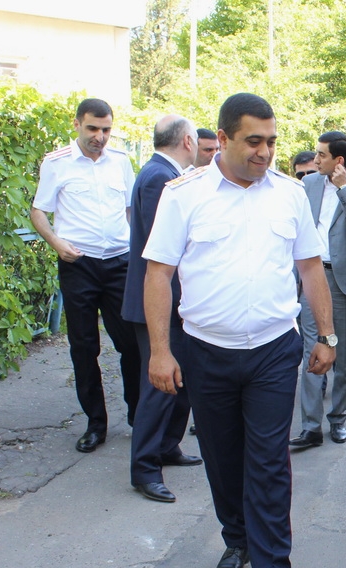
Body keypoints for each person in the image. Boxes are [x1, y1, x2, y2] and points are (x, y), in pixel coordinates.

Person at [142, 92, 336, 568]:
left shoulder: (290, 195)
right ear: (223, 138)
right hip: (205, 352)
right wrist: (160, 351)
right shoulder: (183, 195)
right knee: (223, 457)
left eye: (271, 141)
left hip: (273, 349)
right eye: (253, 141)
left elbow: (311, 266)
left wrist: (327, 335)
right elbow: (158, 274)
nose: (265, 152)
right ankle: (237, 539)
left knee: (270, 462)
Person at [30, 98, 140, 453]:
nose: (100, 136)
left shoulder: (120, 161)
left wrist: (135, 248)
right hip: (79, 264)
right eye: (93, 128)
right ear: (77, 124)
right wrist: (56, 243)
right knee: (83, 346)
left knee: (131, 343)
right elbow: (38, 211)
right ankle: (96, 424)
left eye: (106, 129)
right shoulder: (57, 163)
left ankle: (139, 417)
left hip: (119, 263)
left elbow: (130, 210)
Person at [121, 115, 203, 503]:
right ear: (187, 141)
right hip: (160, 301)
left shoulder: (163, 174)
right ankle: (144, 468)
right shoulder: (159, 177)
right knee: (159, 385)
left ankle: (168, 446)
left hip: (175, 302)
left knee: (180, 382)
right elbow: (164, 251)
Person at [290, 131, 346, 449]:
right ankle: (311, 426)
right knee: (311, 350)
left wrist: (344, 188)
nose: (315, 160)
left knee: (342, 353)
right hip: (312, 277)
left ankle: (338, 418)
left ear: (339, 160)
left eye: (321, 155)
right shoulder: (309, 184)